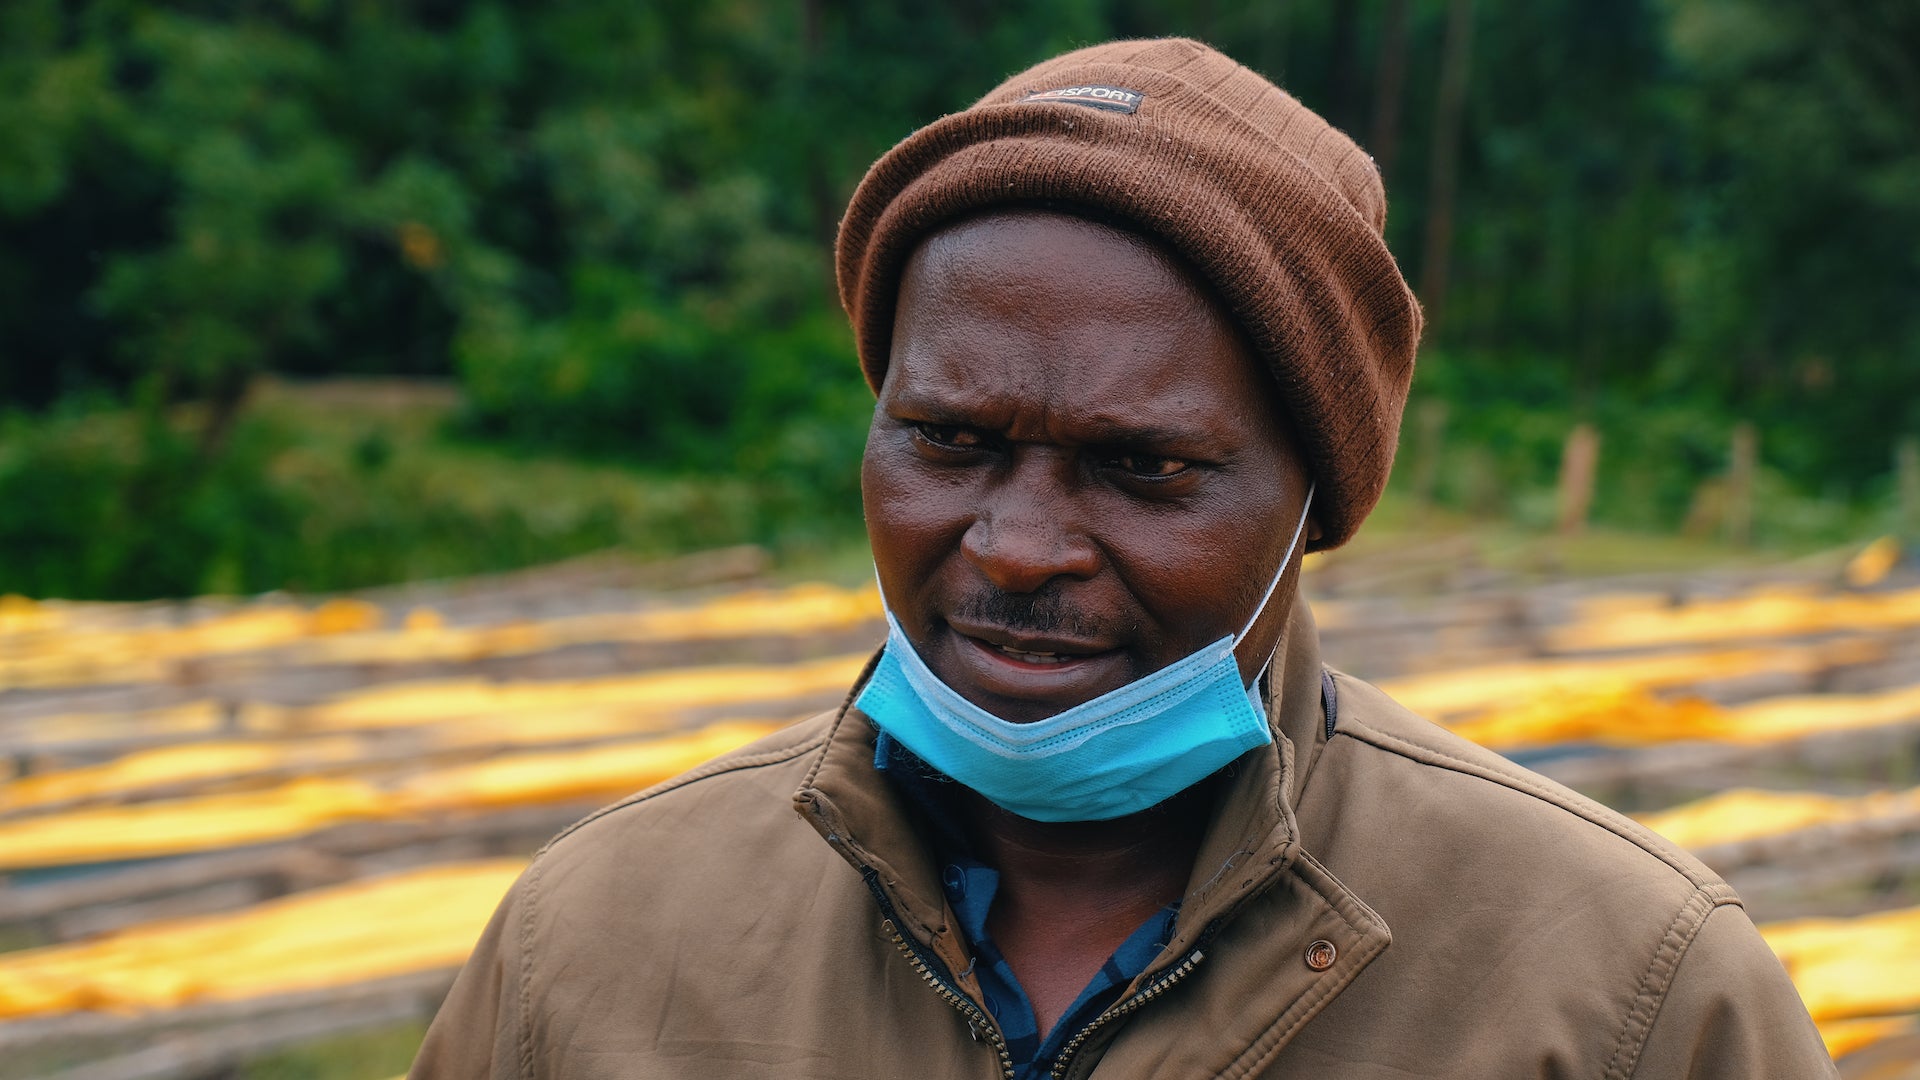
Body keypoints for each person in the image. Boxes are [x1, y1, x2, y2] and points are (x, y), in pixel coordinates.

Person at [410, 38, 1835, 1079]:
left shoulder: (1627, 995)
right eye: (951, 443)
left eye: (1143, 466)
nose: (1019, 547)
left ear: (1315, 500)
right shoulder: (594, 944)